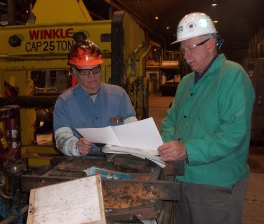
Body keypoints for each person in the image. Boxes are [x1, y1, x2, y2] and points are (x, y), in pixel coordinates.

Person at [157, 12, 255, 224]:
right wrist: (169, 144)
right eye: (183, 49)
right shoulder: (185, 82)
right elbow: (171, 120)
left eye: (191, 48)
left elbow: (233, 134)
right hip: (181, 178)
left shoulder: (232, 76)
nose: (186, 55)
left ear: (210, 43)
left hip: (216, 185)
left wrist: (186, 149)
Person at [53, 39, 137, 156]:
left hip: (117, 161)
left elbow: (132, 127)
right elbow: (61, 137)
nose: (92, 76)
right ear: (74, 72)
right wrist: (76, 146)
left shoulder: (119, 95)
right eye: (85, 71)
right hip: (81, 163)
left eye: (96, 70)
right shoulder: (64, 101)